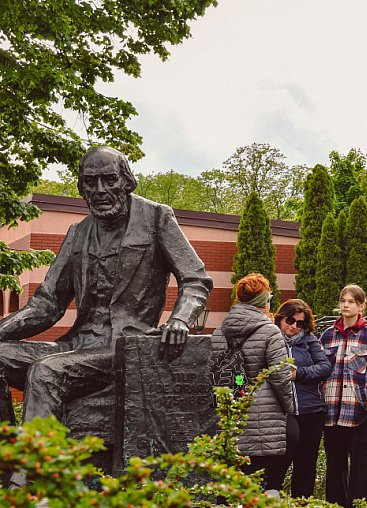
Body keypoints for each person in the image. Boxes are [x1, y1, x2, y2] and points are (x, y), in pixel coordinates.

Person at [0, 146, 212, 428]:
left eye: (109, 179)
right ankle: (7, 456)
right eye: (90, 182)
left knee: (46, 370)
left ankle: (31, 470)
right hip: (77, 344)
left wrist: (180, 320)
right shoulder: (78, 233)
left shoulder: (156, 218)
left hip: (125, 345)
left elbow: (195, 279)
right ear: (83, 188)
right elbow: (46, 305)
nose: (100, 189)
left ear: (126, 182)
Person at [211, 274, 296, 493]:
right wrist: (289, 408)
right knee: (265, 480)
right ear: (264, 301)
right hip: (265, 413)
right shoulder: (270, 331)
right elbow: (280, 377)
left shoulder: (220, 332)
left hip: (231, 410)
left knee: (235, 483)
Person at [319, 284, 367, 508]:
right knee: (335, 464)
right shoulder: (327, 336)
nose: (345, 305)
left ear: (361, 306)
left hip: (358, 412)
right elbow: (320, 369)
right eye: (343, 301)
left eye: (351, 302)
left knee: (361, 464)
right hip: (331, 412)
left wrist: (363, 396)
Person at [273, 299, 332, 497]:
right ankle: (270, 507)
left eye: (300, 323)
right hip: (283, 411)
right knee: (279, 461)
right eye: (290, 320)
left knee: (306, 462)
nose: (294, 327)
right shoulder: (271, 339)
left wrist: (299, 374)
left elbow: (324, 367)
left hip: (311, 409)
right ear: (281, 318)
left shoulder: (309, 340)